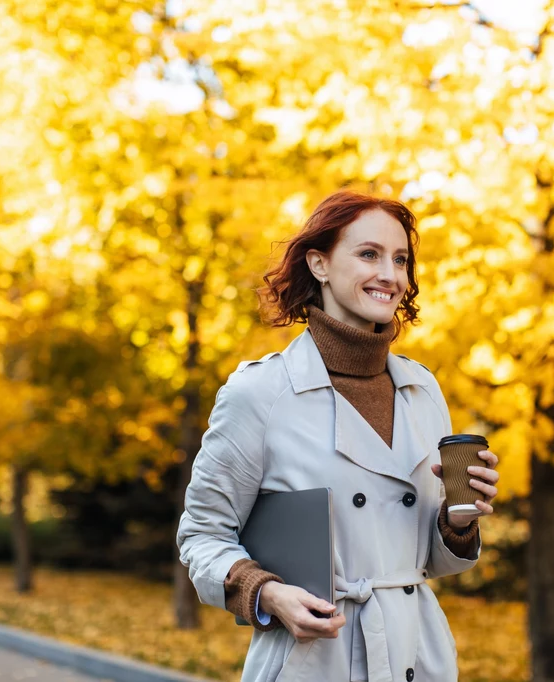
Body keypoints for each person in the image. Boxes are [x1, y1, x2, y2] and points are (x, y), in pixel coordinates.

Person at [176, 190, 501, 682]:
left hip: (420, 657)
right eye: (368, 254)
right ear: (319, 265)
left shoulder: (422, 389)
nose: (390, 275)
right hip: (313, 659)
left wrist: (458, 522)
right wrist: (264, 591)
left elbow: (430, 564)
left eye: (401, 260)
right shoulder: (261, 392)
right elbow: (202, 534)